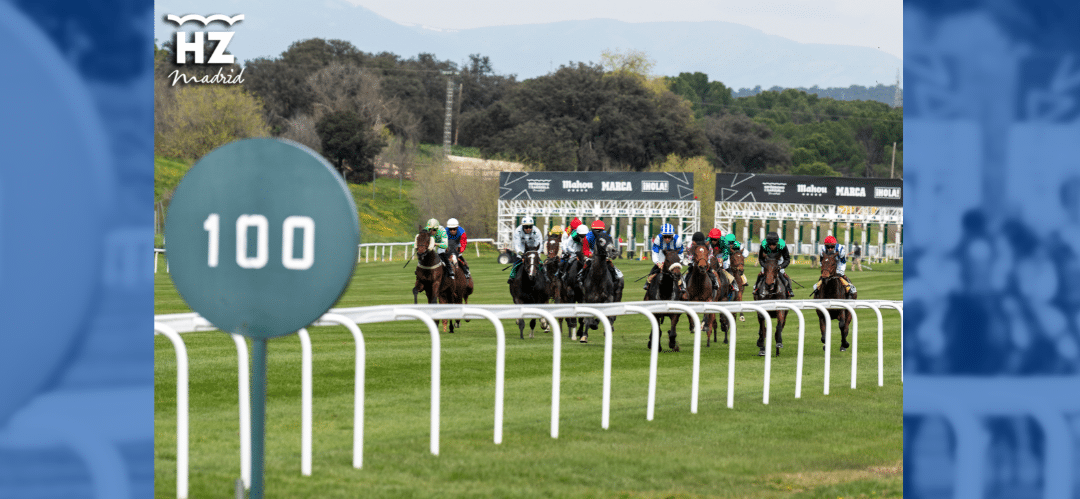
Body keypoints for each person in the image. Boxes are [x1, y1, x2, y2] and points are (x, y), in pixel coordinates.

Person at [578, 219, 623, 286]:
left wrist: (608, 256)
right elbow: (585, 250)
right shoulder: (587, 237)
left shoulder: (607, 236)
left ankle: (615, 276)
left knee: (610, 265)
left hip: (603, 255)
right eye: (596, 231)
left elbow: (610, 249)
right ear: (592, 230)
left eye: (600, 230)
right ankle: (581, 276)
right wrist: (592, 256)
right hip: (592, 255)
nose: (598, 232)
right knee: (586, 264)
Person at [643, 223, 684, 291]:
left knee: (678, 274)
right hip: (662, 256)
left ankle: (682, 286)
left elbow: (680, 254)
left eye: (669, 237)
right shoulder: (658, 238)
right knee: (654, 271)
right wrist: (658, 263)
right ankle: (648, 283)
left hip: (673, 259)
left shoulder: (678, 240)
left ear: (672, 236)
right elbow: (655, 252)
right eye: (665, 237)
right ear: (662, 235)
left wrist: (677, 263)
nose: (667, 239)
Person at [755, 231, 793, 298]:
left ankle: (789, 290)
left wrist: (781, 266)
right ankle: (756, 289)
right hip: (767, 261)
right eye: (770, 245)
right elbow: (760, 259)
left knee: (784, 275)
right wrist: (765, 266)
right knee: (761, 274)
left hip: (779, 260)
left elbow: (787, 259)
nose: (772, 246)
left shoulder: (782, 245)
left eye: (774, 245)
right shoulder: (763, 245)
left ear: (777, 243)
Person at [507, 216, 543, 284]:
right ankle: (512, 276)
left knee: (541, 264)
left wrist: (536, 253)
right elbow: (517, 245)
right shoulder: (517, 231)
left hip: (533, 250)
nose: (528, 229)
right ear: (522, 226)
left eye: (530, 227)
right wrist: (522, 254)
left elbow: (539, 244)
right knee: (516, 263)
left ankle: (546, 277)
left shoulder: (537, 231)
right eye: (526, 227)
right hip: (522, 250)